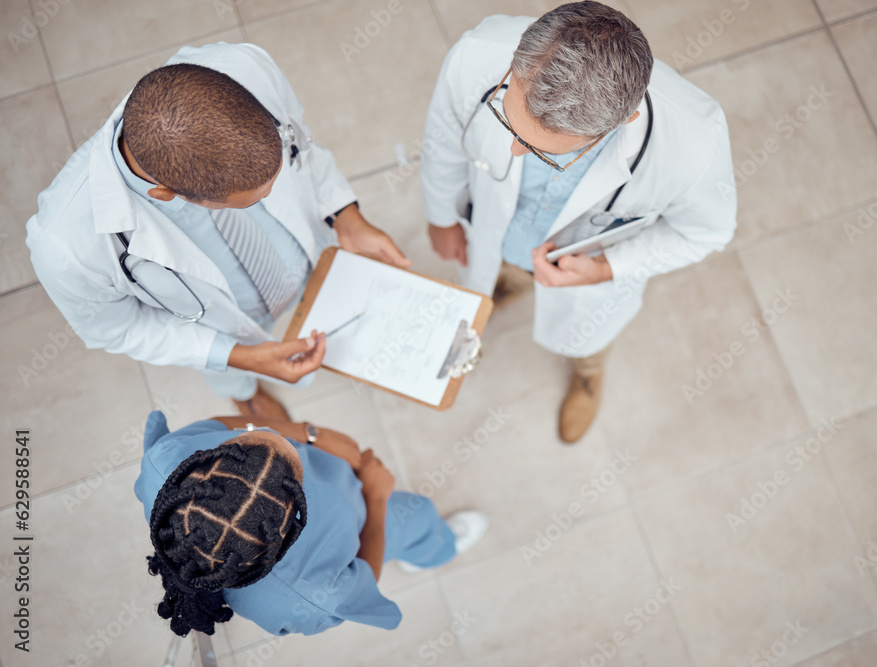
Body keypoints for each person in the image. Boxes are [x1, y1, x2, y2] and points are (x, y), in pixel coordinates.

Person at [26, 42, 410, 421]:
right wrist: (241, 357)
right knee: (235, 375)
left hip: (309, 257)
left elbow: (306, 151)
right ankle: (246, 397)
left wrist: (346, 217)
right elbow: (119, 328)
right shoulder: (65, 246)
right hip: (229, 321)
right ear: (168, 194)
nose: (271, 197)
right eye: (247, 202)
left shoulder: (244, 64)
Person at [421, 2, 737, 443]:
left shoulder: (695, 145)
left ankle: (587, 373)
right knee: (495, 270)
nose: (514, 152)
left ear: (622, 122)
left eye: (547, 151)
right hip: (498, 230)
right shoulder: (476, 53)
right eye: (507, 120)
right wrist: (441, 216)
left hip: (583, 271)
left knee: (587, 336)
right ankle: (507, 283)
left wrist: (607, 267)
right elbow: (443, 141)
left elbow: (706, 233)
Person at [134, 410, 488, 635]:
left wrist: (308, 432)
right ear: (288, 536)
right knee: (418, 515)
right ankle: (434, 549)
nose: (290, 443)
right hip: (364, 519)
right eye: (297, 476)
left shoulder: (166, 460)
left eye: (252, 438)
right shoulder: (304, 596)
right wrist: (377, 499)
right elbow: (363, 574)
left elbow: (226, 425)